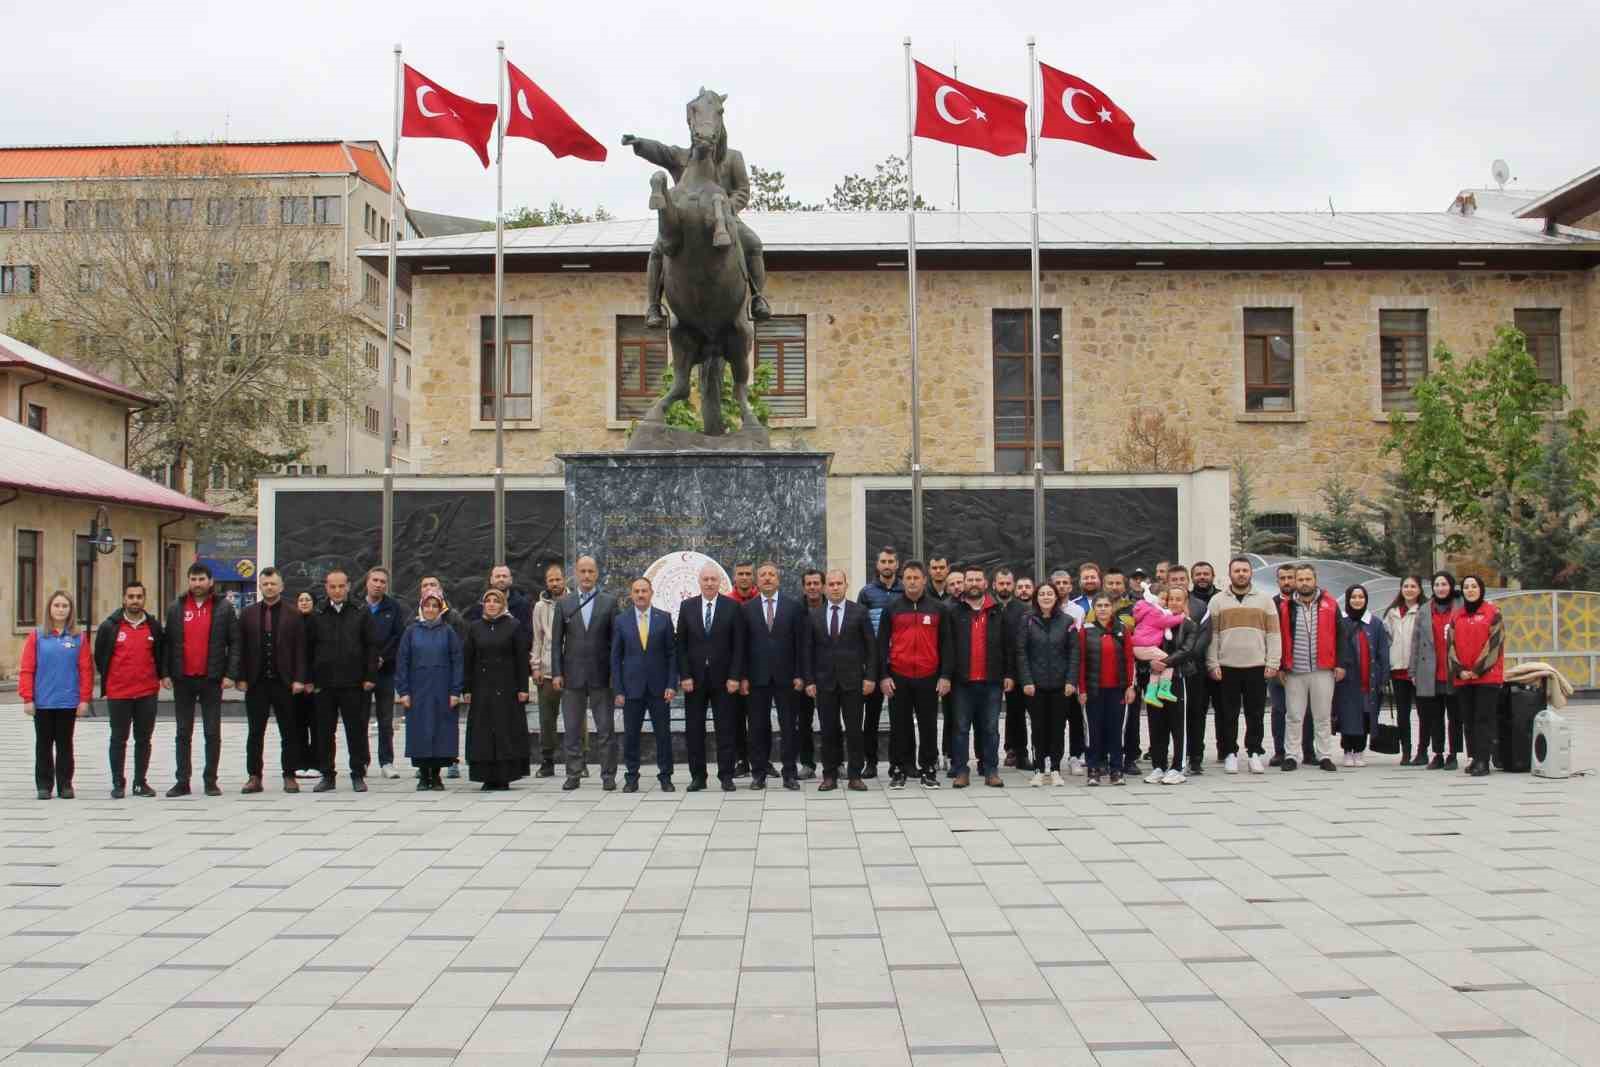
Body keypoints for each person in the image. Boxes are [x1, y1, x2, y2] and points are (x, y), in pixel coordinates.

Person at [622, 123, 772, 327]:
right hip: (682, 219)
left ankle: (757, 297)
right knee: (657, 251)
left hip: (723, 216)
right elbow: (660, 151)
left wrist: (728, 207)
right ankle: (654, 305)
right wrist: (639, 143)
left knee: (753, 244)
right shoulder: (680, 156)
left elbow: (742, 191)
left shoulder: (733, 157)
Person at [162, 562, 241, 797]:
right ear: (188, 581)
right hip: (183, 679)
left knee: (212, 732)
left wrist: (230, 674)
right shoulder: (176, 607)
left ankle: (210, 780)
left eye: (201, 579)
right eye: (193, 579)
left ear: (210, 581)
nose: (197, 584)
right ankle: (182, 781)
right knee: (182, 732)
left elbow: (235, 642)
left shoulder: (223, 608)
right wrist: (165, 673)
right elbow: (167, 643)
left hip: (211, 679)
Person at [879, 561, 953, 790]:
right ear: (903, 580)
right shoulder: (891, 608)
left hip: (928, 676)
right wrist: (883, 676)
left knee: (928, 725)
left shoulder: (938, 608)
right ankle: (898, 769)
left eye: (916, 578)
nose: (912, 582)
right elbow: (881, 644)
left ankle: (928, 769)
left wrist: (945, 676)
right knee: (899, 726)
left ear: (924, 580)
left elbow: (947, 644)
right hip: (898, 676)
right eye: (908, 578)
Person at [306, 568, 379, 792]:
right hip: (324, 683)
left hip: (353, 682)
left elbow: (371, 646)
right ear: (326, 588)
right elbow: (308, 648)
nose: (337, 591)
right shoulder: (317, 613)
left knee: (355, 731)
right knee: (324, 732)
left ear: (348, 586)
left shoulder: (361, 611)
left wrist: (370, 676)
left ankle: (358, 774)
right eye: (332, 587)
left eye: (341, 586)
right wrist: (309, 679)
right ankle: (327, 775)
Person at [1204, 557, 1279, 775]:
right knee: (1228, 714)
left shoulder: (1265, 600)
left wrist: (1273, 661)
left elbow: (1274, 634)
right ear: (1230, 574)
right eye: (1237, 570)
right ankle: (1230, 753)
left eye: (1245, 570)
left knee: (1255, 713)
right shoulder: (1217, 601)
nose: (1241, 574)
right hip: (1227, 666)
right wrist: (1212, 663)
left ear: (1250, 573)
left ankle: (1254, 752)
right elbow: (1212, 636)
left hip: (1257, 665)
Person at [805, 569, 877, 791]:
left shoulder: (859, 612)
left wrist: (870, 677)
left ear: (846, 585)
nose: (835, 587)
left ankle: (855, 775)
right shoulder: (814, 615)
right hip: (824, 682)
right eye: (831, 584)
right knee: (828, 730)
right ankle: (829, 775)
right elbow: (808, 651)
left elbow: (871, 648)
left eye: (839, 583)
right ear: (825, 587)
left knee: (854, 730)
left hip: (853, 682)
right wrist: (809, 680)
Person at [237, 567, 308, 794]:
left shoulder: (293, 614)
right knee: (255, 732)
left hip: (284, 682)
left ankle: (289, 775)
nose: (269, 587)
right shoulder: (247, 614)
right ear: (259, 586)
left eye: (273, 583)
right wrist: (241, 677)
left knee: (289, 731)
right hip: (256, 682)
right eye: (265, 584)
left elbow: (301, 649)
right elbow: (240, 648)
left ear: (281, 586)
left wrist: (299, 679)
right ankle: (254, 776)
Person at [551, 555, 619, 791]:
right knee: (572, 729)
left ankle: (608, 775)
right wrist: (557, 672)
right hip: (572, 676)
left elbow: (615, 643)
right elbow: (556, 643)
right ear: (576, 574)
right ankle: (573, 773)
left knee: (605, 729)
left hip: (602, 675)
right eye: (583, 571)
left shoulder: (609, 603)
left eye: (591, 571)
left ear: (597, 573)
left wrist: (615, 674)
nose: (587, 575)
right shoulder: (564, 604)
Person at [676, 562, 744, 792]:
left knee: (725, 729)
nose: (709, 583)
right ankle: (698, 776)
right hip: (694, 681)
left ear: (720, 582)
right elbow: (681, 645)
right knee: (694, 730)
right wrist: (684, 675)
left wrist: (735, 676)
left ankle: (726, 775)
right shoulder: (687, 607)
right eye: (705, 579)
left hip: (724, 680)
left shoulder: (732, 607)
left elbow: (738, 646)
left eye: (713, 579)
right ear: (699, 582)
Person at [740, 561, 808, 790]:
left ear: (778, 579)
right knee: (757, 727)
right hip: (756, 678)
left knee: (788, 726)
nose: (767, 578)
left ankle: (789, 774)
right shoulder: (746, 609)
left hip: (787, 678)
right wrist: (743, 677)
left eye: (771, 574)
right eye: (763, 575)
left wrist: (800, 674)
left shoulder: (793, 607)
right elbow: (741, 646)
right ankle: (758, 774)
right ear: (756, 581)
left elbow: (801, 644)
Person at [94, 581, 164, 798]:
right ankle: (118, 782)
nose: (135, 600)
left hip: (147, 692)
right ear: (124, 599)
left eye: (139, 597)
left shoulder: (153, 627)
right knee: (118, 739)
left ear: (144, 599)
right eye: (131, 596)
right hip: (118, 693)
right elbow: (100, 657)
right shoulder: (110, 626)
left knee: (143, 739)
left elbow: (160, 654)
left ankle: (140, 782)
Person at [21, 591, 91, 799]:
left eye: (64, 606)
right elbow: (27, 668)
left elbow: (85, 670)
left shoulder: (78, 637)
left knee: (65, 744)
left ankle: (65, 784)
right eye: (57, 605)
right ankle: (44, 785)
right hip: (43, 702)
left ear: (71, 610)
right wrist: (27, 698)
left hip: (68, 701)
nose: (60, 610)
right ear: (49, 608)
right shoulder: (37, 636)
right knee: (43, 745)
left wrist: (84, 699)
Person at [949, 565, 1014, 788]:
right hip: (962, 681)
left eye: (978, 579)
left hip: (991, 681)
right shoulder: (954, 612)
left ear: (986, 583)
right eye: (970, 580)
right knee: (960, 728)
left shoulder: (998, 611)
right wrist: (946, 676)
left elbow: (1008, 646)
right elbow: (947, 646)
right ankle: (961, 770)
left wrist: (1009, 674)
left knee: (990, 728)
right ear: (964, 583)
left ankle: (991, 770)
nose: (974, 584)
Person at [610, 577, 677, 793]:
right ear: (631, 594)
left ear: (651, 593)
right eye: (637, 591)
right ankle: (631, 777)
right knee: (631, 735)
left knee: (663, 735)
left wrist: (671, 684)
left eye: (644, 591)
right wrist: (618, 689)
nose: (640, 595)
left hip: (659, 688)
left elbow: (671, 654)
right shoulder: (621, 620)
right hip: (631, 689)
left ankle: (665, 777)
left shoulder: (664, 618)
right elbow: (615, 658)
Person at [463, 588, 534, 789]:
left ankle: (505, 775)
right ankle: (486, 776)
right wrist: (467, 689)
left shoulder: (513, 626)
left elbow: (521, 659)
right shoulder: (475, 627)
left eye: (496, 601)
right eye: (488, 601)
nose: (492, 604)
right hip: (482, 689)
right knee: (483, 732)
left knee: (506, 730)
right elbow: (468, 659)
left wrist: (523, 688)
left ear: (503, 604)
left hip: (507, 688)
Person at [1277, 564, 1342, 772]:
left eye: (1308, 579)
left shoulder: (1330, 604)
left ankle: (1325, 755)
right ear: (1295, 581)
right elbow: (1280, 637)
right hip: (1295, 670)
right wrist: (1281, 666)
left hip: (1323, 668)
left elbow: (1341, 634)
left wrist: (1340, 663)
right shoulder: (1286, 606)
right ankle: (1291, 755)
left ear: (1315, 580)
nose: (1304, 583)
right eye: (1300, 579)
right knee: (1294, 716)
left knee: (1322, 716)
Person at [396, 592, 464, 790]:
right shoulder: (411, 632)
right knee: (420, 731)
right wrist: (403, 691)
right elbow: (402, 662)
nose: (431, 609)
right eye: (427, 605)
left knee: (442, 732)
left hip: (442, 690)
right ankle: (423, 775)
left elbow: (457, 662)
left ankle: (436, 775)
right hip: (418, 691)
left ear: (440, 609)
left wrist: (455, 691)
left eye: (435, 606)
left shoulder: (448, 632)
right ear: (421, 607)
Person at [1016, 582, 1079, 787]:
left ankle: (1055, 769)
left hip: (1061, 686)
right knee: (1038, 728)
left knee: (1058, 728)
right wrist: (1026, 680)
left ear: (1056, 597)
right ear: (1036, 597)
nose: (1046, 597)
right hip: (1035, 686)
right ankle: (1039, 769)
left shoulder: (1067, 621)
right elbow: (1021, 652)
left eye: (1049, 593)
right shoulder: (1027, 620)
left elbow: (1074, 653)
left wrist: (1071, 680)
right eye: (1042, 594)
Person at [1077, 595, 1136, 785]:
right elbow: (1080, 662)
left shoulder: (1122, 629)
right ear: (1094, 609)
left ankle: (1116, 769)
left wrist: (1130, 686)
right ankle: (1093, 769)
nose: (1103, 609)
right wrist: (1082, 690)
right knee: (1093, 731)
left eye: (1106, 605)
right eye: (1099, 606)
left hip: (1117, 690)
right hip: (1093, 690)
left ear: (1112, 608)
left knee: (1116, 731)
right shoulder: (1086, 630)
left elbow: (1130, 659)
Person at [1449, 575, 1504, 778]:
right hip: (1463, 678)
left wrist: (1477, 670)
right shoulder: (1456, 616)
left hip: (1487, 677)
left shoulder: (1493, 613)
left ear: (1481, 589)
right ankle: (1474, 758)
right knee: (1469, 719)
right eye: (1466, 587)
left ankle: (1483, 760)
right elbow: (1450, 646)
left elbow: (1495, 645)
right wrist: (1460, 670)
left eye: (1474, 586)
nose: (1470, 590)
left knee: (1483, 718)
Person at [856, 546, 902, 778]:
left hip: (899, 661)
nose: (887, 565)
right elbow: (860, 628)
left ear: (897, 564)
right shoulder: (866, 593)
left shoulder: (905, 590)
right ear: (877, 565)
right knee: (871, 717)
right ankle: (871, 762)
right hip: (873, 663)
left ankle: (898, 762)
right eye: (883, 561)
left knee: (899, 716)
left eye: (891, 561)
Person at [1149, 585, 1202, 784]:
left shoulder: (1189, 625)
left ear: (1185, 602)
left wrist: (1165, 662)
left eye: (1179, 599)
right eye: (1171, 599)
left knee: (1178, 724)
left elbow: (1187, 650)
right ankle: (1158, 765)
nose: (1174, 603)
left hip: (1178, 678)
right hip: (1155, 678)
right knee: (1157, 723)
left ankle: (1177, 767)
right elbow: (1146, 643)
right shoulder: (1157, 621)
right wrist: (1150, 661)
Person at [358, 567, 407, 780]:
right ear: (367, 582)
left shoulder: (393, 607)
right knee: (360, 718)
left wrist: (382, 658)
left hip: (385, 671)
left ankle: (386, 761)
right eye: (375, 580)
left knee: (385, 719)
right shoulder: (357, 606)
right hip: (360, 672)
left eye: (382, 582)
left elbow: (398, 637)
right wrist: (366, 660)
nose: (378, 584)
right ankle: (361, 761)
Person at [416, 575, 467, 777]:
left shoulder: (453, 618)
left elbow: (460, 650)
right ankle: (424, 761)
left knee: (446, 723)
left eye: (433, 584)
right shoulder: (415, 617)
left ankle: (451, 760)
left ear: (441, 590)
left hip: (446, 678)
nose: (429, 587)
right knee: (423, 723)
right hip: (422, 680)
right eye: (425, 585)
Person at [1412, 572, 1463, 771]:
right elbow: (1416, 642)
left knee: (1455, 717)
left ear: (1451, 586)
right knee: (1435, 717)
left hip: (1453, 670)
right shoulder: (1424, 610)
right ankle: (1438, 753)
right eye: (1437, 585)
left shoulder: (1460, 607)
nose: (1440, 588)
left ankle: (1453, 754)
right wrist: (1412, 670)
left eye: (1444, 584)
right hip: (1430, 671)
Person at [1334, 585, 1389, 767]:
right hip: (1347, 680)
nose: (1357, 600)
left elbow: (1382, 651)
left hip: (1369, 678)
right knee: (1348, 715)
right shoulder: (1340, 622)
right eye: (1353, 597)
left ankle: (1359, 750)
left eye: (1361, 597)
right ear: (1348, 599)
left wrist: (1384, 676)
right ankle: (1347, 750)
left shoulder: (1375, 623)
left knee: (1366, 714)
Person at [1265, 563, 1311, 767]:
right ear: (1277, 581)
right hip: (1278, 665)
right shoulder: (1270, 604)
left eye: (1290, 578)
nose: (1287, 582)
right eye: (1282, 578)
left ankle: (1309, 751)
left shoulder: (1307, 604)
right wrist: (1274, 665)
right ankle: (1280, 751)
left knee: (1306, 710)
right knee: (1279, 709)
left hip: (1303, 665)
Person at [1382, 576, 1426, 766]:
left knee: (1424, 713)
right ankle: (1406, 751)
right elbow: (1386, 640)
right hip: (1398, 670)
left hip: (1419, 670)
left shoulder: (1424, 610)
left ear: (1419, 589)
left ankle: (1422, 751)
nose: (1409, 589)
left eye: (1413, 586)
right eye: (1405, 586)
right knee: (1403, 713)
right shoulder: (1391, 612)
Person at [529, 562, 567, 778]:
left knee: (576, 718)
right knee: (546, 718)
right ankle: (547, 760)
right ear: (546, 582)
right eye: (551, 580)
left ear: (564, 580)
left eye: (558, 579)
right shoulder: (539, 607)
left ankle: (579, 760)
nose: (555, 583)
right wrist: (535, 666)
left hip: (571, 669)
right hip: (547, 670)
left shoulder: (574, 601)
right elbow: (537, 638)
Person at [995, 568, 1031, 771]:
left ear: (1013, 585)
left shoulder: (1023, 610)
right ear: (994, 585)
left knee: (1016, 712)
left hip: (1016, 669)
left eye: (1008, 584)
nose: (1005, 587)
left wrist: (1012, 672)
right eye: (1001, 583)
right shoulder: (988, 606)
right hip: (991, 667)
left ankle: (1020, 753)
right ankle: (990, 755)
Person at [1131, 587, 1188, 707]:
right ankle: (1164, 689)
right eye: (1162, 598)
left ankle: (1151, 694)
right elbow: (1166, 622)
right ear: (1153, 598)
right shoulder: (1154, 611)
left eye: (1165, 599)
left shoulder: (1147, 609)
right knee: (1168, 662)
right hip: (1145, 646)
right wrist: (1181, 617)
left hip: (1141, 646)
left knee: (1158, 667)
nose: (1164, 602)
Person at [727, 561, 759, 776]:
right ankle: (741, 760)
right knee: (737, 719)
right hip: (735, 672)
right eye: (741, 574)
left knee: (759, 720)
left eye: (748, 573)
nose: (744, 577)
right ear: (734, 577)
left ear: (753, 577)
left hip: (758, 670)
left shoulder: (762, 600)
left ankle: (761, 760)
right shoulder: (728, 602)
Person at [795, 568, 825, 779]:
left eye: (816, 583)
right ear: (803, 587)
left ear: (822, 585)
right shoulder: (795, 610)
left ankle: (835, 762)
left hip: (828, 672)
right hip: (803, 673)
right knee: (804, 721)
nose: (813, 587)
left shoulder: (833, 607)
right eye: (809, 584)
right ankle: (807, 764)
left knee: (830, 720)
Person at [938, 567, 966, 775]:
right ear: (947, 589)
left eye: (959, 582)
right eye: (952, 584)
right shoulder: (944, 608)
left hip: (971, 671)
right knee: (951, 716)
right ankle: (948, 753)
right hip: (951, 671)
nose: (956, 587)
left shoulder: (975, 605)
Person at [292, 591, 322, 775]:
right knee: (298, 725)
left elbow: (318, 654)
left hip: (314, 683)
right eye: (301, 600)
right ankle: (300, 762)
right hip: (295, 683)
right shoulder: (292, 622)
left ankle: (316, 763)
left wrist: (311, 680)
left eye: (307, 600)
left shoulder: (318, 622)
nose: (304, 603)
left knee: (316, 725)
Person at [463, 564, 533, 632]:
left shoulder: (522, 605)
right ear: (491, 580)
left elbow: (526, 633)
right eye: (497, 576)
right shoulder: (479, 606)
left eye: (504, 576)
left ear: (511, 580)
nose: (501, 579)